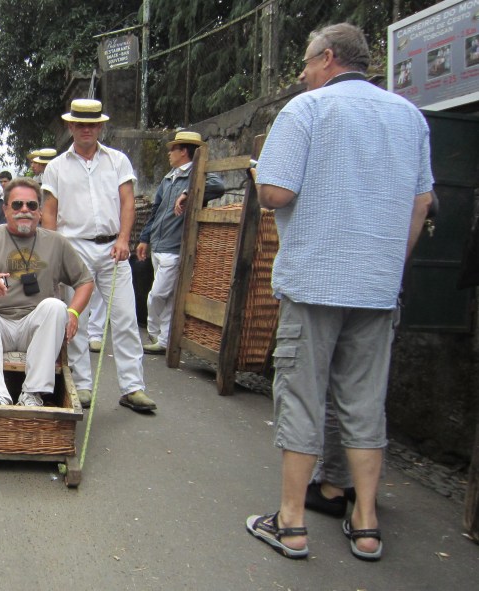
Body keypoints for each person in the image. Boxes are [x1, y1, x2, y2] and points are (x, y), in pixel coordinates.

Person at [244, 23, 433, 562]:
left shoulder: (307, 111)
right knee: (364, 400)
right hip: (377, 285)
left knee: (302, 394)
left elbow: (276, 191)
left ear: (327, 59)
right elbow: (421, 203)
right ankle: (367, 522)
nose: (303, 74)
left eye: (306, 63)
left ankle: (292, 523)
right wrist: (388, 264)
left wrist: (260, 179)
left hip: (315, 279)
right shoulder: (409, 115)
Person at [43, 98, 152, 412]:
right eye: (80, 123)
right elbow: (49, 213)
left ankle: (133, 387)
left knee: (126, 317)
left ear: (101, 126)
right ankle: (82, 386)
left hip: (112, 249)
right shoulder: (55, 167)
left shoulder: (118, 160)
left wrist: (123, 239)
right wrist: (56, 252)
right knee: (75, 317)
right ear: (71, 126)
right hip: (72, 246)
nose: (86, 129)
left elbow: (127, 202)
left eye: (92, 123)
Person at [0, 178, 93, 406]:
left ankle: (32, 393)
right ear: (5, 209)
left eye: (31, 205)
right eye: (17, 205)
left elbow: (85, 281)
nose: (24, 210)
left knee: (56, 307)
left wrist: (74, 312)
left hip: (36, 327)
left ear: (40, 211)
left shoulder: (56, 242)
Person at [136, 131, 226, 355]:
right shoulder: (169, 178)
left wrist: (187, 192)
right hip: (159, 241)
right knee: (166, 297)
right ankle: (164, 340)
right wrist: (145, 238)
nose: (169, 154)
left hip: (175, 246)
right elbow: (155, 211)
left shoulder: (198, 173)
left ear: (184, 151)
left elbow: (218, 186)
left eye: (172, 149)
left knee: (157, 294)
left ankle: (153, 328)